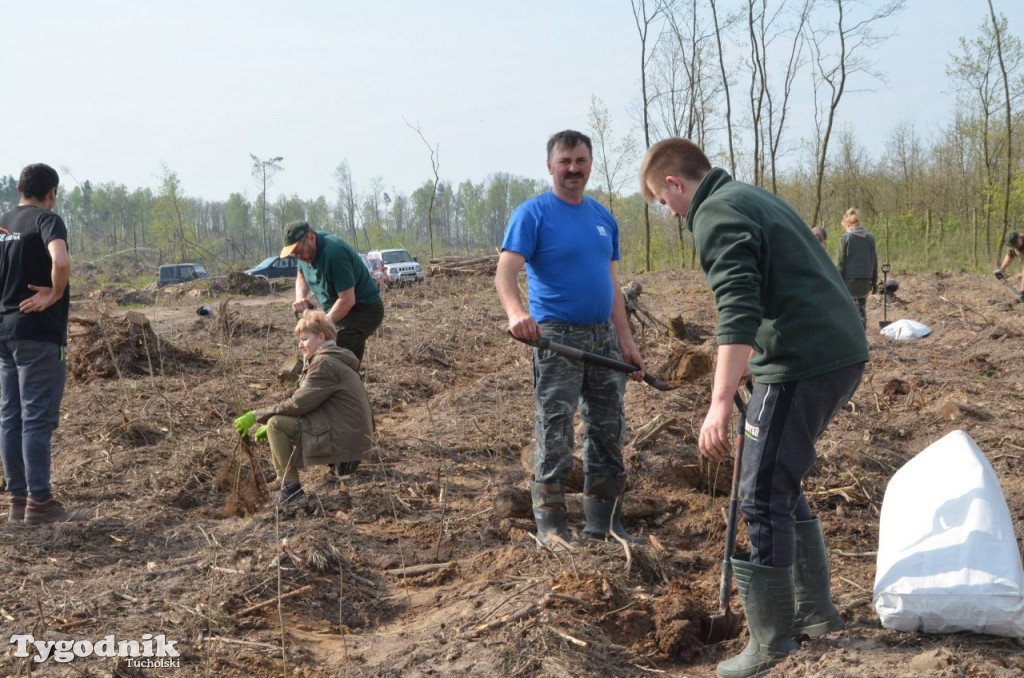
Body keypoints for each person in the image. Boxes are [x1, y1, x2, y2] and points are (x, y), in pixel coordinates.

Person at [641, 138, 868, 678]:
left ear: (676, 184)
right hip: (833, 352)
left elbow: (738, 308)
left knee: (760, 492)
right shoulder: (746, 195)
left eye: (662, 200)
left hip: (802, 361)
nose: (668, 212)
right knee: (777, 479)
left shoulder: (714, 213)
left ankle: (771, 642)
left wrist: (719, 404)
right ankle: (814, 612)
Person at [495, 129, 647, 549]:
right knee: (556, 427)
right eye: (565, 161)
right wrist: (516, 313)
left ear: (590, 165)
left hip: (603, 339)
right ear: (550, 166)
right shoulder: (533, 214)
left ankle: (605, 524)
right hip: (557, 338)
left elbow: (613, 288)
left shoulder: (603, 218)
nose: (573, 169)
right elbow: (505, 272)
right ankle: (552, 527)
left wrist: (627, 343)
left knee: (607, 428)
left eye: (580, 161)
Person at [0, 164, 79, 524]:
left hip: (5, 333)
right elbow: (60, 261)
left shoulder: (3, 225)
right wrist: (54, 294)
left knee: (10, 417)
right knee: (35, 419)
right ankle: (41, 504)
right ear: (52, 193)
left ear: (18, 188)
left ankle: (17, 500)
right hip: (38, 334)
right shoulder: (48, 221)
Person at [234, 310, 373, 507]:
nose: (300, 345)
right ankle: (289, 484)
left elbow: (298, 404)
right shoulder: (333, 358)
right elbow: (313, 403)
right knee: (278, 423)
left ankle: (291, 490)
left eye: (305, 339)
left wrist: (256, 415)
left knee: (275, 424)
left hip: (347, 443)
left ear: (321, 337)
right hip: (351, 438)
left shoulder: (324, 363)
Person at [281, 221, 384, 364]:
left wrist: (321, 327)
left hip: (363, 311)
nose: (297, 256)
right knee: (346, 364)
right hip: (339, 311)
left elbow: (347, 300)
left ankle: (318, 383)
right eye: (294, 254)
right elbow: (301, 275)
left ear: (311, 238)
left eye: (298, 251)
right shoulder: (305, 253)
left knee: (326, 354)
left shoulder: (334, 254)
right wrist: (300, 297)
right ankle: (349, 383)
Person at [837, 208, 878, 330]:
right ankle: (863, 341)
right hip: (865, 282)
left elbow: (840, 263)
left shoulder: (845, 239)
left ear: (847, 224)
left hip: (849, 283)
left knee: (850, 314)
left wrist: (837, 282)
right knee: (861, 312)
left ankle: (855, 343)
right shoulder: (870, 238)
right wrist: (874, 282)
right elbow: (874, 261)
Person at [994, 231, 1024, 299]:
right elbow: (1010, 255)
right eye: (1013, 246)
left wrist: (1023, 290)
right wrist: (1001, 269)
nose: (1015, 247)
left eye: (1015, 244)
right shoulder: (1016, 246)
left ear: (1020, 238)